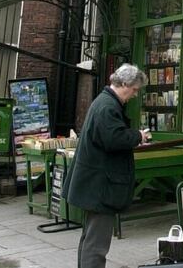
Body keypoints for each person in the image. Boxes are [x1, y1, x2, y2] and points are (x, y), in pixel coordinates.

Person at [64, 64, 152, 268]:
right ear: (123, 84)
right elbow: (113, 138)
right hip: (101, 186)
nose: (135, 94)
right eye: (134, 89)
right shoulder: (108, 106)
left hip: (95, 184)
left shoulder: (104, 102)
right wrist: (138, 136)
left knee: (90, 238)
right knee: (97, 243)